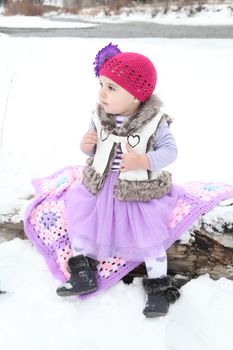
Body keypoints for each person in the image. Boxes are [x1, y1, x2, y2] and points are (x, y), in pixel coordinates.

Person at [56, 43, 181, 318]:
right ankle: (84, 271)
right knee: (84, 228)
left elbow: (170, 151)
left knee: (150, 239)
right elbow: (93, 148)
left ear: (136, 96)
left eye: (112, 88)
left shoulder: (153, 122)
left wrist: (144, 161)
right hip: (101, 186)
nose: (102, 93)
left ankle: (159, 288)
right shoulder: (99, 117)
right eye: (102, 84)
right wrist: (86, 145)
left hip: (135, 190)